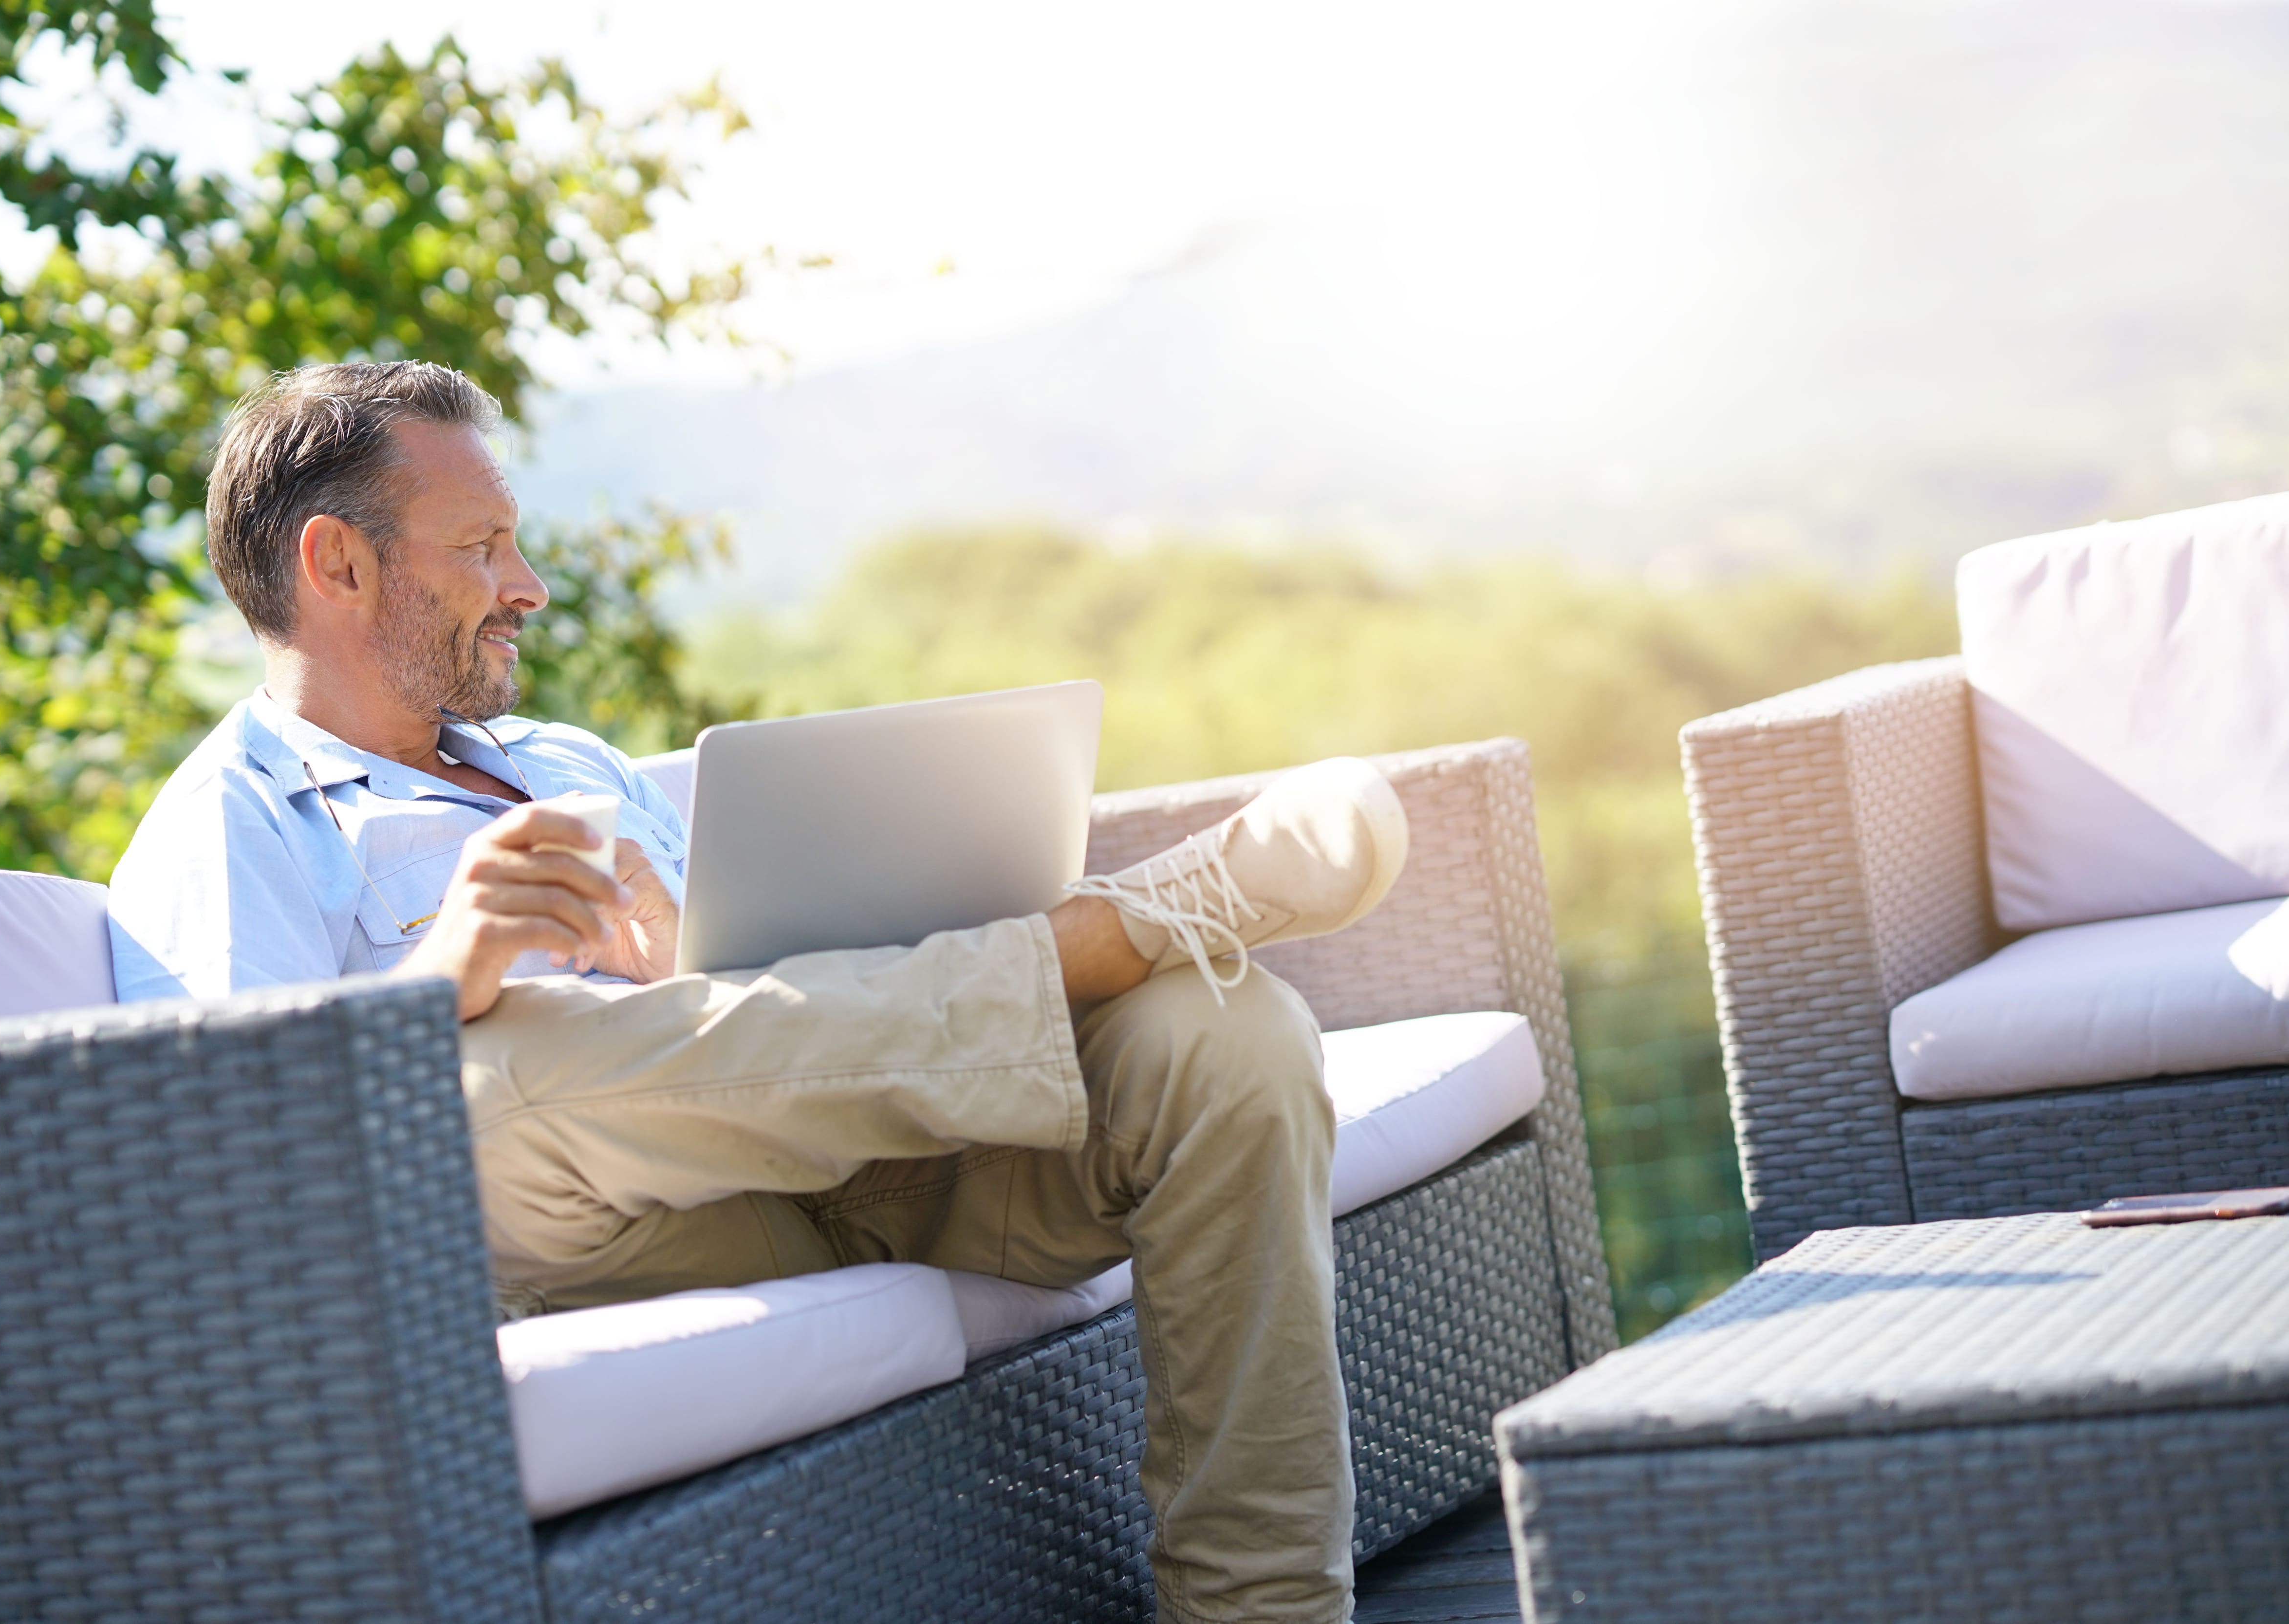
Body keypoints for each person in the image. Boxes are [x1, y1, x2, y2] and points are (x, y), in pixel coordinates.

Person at [108, 361, 1410, 1624]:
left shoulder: (564, 760)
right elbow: (228, 1166)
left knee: (1225, 1030)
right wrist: (447, 974)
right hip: (602, 1227)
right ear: (338, 563)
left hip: (857, 1149)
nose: (529, 587)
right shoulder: (234, 824)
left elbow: (750, 1012)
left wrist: (685, 954)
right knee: (512, 1062)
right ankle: (1127, 924)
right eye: (481, 547)